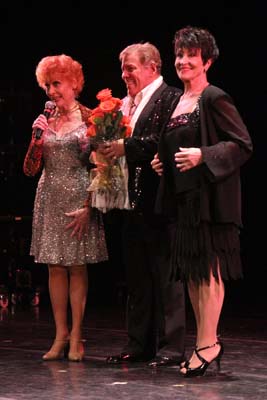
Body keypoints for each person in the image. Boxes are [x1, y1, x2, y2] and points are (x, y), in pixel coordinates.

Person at [151, 26, 253, 377]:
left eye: (191, 55)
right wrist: (161, 162)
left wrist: (203, 155)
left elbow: (242, 145)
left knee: (208, 273)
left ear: (206, 61)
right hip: (184, 203)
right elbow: (176, 145)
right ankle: (204, 343)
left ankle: (208, 344)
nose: (183, 61)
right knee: (193, 275)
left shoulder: (214, 98)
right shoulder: (177, 103)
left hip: (210, 203)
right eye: (179, 55)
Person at [100, 42, 186, 367]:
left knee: (166, 276)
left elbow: (167, 140)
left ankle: (170, 348)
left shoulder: (171, 98)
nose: (124, 75)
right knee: (137, 277)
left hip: (159, 201)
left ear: (151, 67)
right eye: (123, 68)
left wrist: (126, 146)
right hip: (130, 202)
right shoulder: (124, 105)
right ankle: (139, 344)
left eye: (130, 68)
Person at [23, 54, 108, 362]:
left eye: (56, 84)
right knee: (54, 267)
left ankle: (77, 337)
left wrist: (90, 207)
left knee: (76, 266)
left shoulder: (91, 118)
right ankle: (59, 335)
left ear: (74, 83)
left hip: (78, 198)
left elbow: (103, 167)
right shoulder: (45, 119)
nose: (51, 91)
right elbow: (30, 169)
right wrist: (36, 140)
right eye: (47, 85)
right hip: (49, 196)